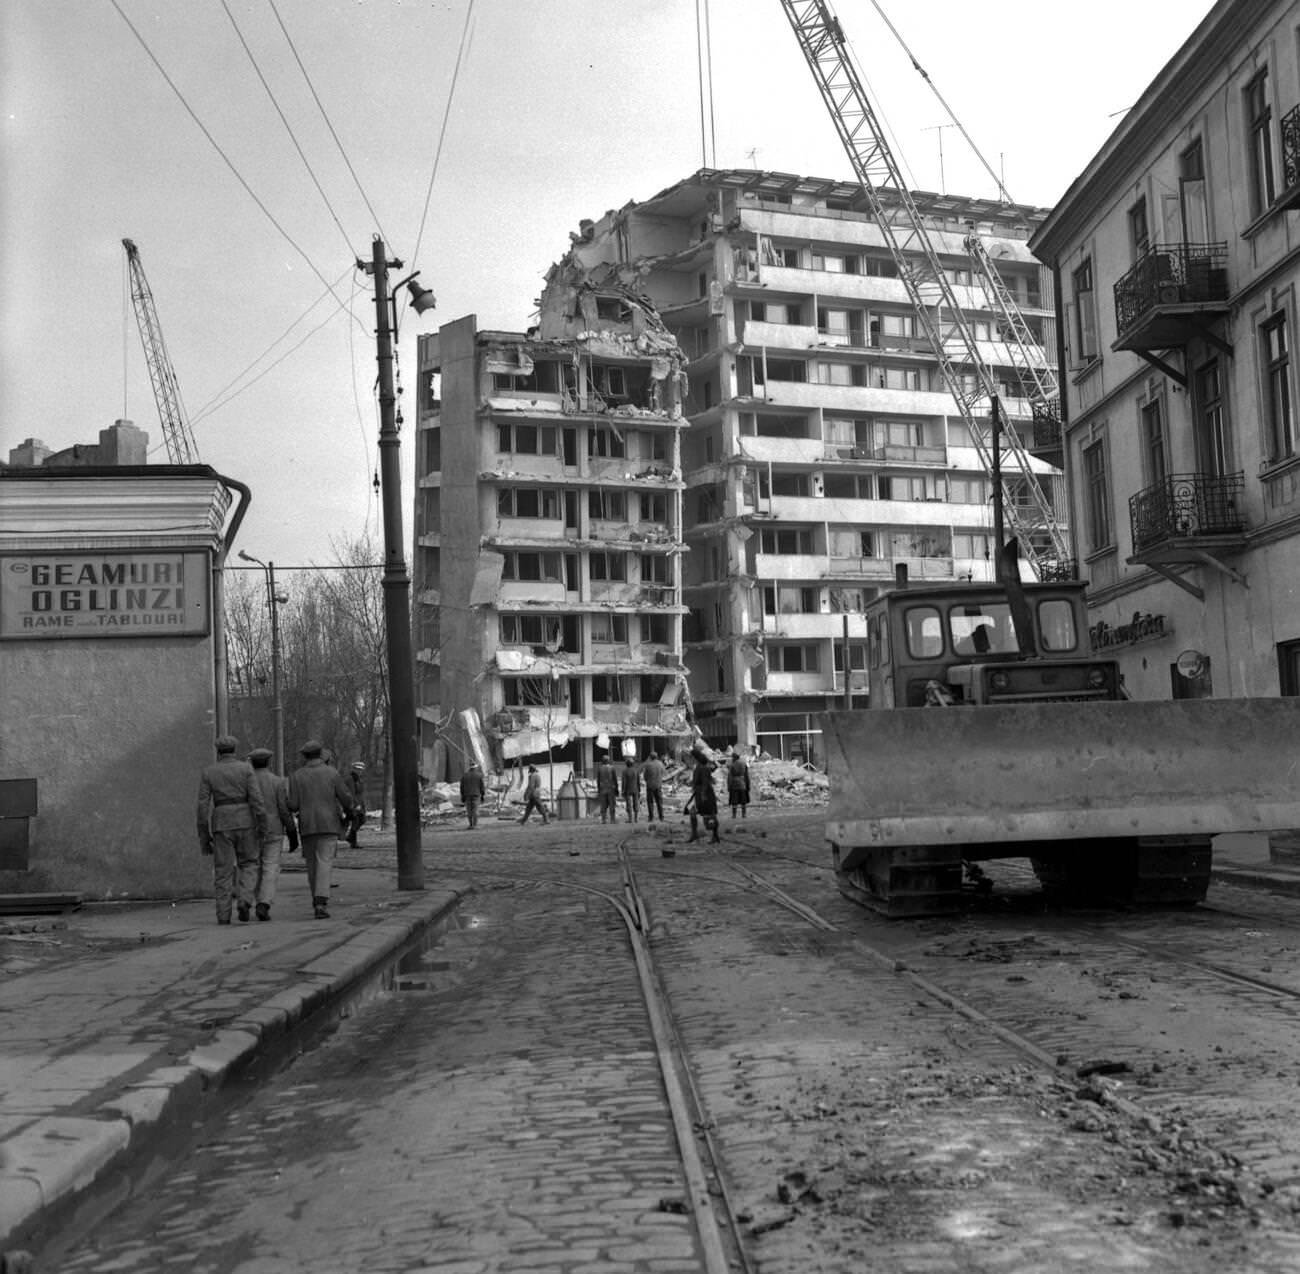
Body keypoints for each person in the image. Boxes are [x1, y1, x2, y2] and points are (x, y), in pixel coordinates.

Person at [195, 735, 267, 925]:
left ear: (218, 752)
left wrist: (204, 836)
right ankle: (244, 899)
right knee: (250, 864)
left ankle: (223, 914)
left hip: (221, 823)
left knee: (223, 871)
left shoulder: (209, 772)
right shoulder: (246, 769)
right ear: (235, 750)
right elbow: (257, 800)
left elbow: (202, 807)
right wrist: (262, 825)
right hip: (246, 821)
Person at [287, 739, 355, 919]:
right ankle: (321, 901)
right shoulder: (332, 773)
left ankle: (316, 898)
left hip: (307, 825)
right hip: (329, 823)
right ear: (320, 754)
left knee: (312, 864)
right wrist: (350, 810)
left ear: (304, 756)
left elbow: (293, 805)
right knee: (325, 861)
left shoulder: (296, 776)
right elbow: (345, 797)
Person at [247, 747, 298, 921]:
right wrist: (291, 831)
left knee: (253, 866)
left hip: (251, 829)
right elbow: (284, 810)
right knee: (271, 867)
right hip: (274, 829)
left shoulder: (246, 781)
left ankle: (251, 899)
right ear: (268, 762)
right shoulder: (278, 782)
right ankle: (264, 902)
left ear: (252, 762)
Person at [687, 750, 720, 844]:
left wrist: (703, 794)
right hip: (698, 793)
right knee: (692, 812)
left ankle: (715, 835)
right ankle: (694, 834)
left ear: (695, 758)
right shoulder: (698, 767)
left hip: (705, 794)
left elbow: (705, 782)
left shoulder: (703, 768)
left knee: (709, 815)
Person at [344, 762, 367, 847]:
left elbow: (361, 792)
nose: (360, 771)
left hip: (360, 803)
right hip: (354, 804)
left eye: (361, 770)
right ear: (354, 769)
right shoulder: (350, 779)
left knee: (362, 820)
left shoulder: (359, 779)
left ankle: (350, 837)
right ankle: (353, 842)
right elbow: (351, 793)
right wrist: (355, 804)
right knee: (356, 821)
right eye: (358, 769)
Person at [727, 748, 751, 820]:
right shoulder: (744, 764)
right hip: (743, 784)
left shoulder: (732, 765)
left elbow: (730, 777)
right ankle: (744, 814)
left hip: (734, 785)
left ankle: (734, 815)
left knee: (734, 801)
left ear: (734, 758)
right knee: (743, 801)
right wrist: (748, 785)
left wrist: (729, 786)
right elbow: (747, 776)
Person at [461, 762, 486, 828]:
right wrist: (483, 795)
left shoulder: (464, 775)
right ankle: (475, 825)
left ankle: (470, 824)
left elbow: (462, 787)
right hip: (476, 795)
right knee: (475, 810)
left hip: (467, 795)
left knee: (469, 810)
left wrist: (462, 796)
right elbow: (482, 786)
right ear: (476, 767)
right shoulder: (479, 775)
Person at [595, 755, 619, 824]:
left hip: (603, 789)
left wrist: (599, 789)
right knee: (612, 805)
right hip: (611, 789)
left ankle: (603, 820)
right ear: (608, 761)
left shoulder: (600, 769)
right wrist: (616, 789)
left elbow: (598, 780)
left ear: (602, 761)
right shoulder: (612, 768)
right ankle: (612, 819)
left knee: (603, 805)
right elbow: (615, 779)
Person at [642, 752, 665, 822]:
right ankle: (661, 817)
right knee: (659, 802)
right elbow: (663, 773)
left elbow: (645, 776)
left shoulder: (648, 765)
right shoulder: (660, 764)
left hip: (650, 785)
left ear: (650, 757)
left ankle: (651, 817)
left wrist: (648, 781)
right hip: (658, 785)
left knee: (650, 802)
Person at [621, 757, 642, 823]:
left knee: (628, 804)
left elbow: (624, 782)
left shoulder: (625, 771)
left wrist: (623, 790)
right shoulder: (636, 770)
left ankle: (630, 819)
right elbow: (638, 781)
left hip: (627, 789)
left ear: (627, 764)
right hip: (635, 789)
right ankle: (636, 819)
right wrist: (639, 790)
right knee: (636, 803)